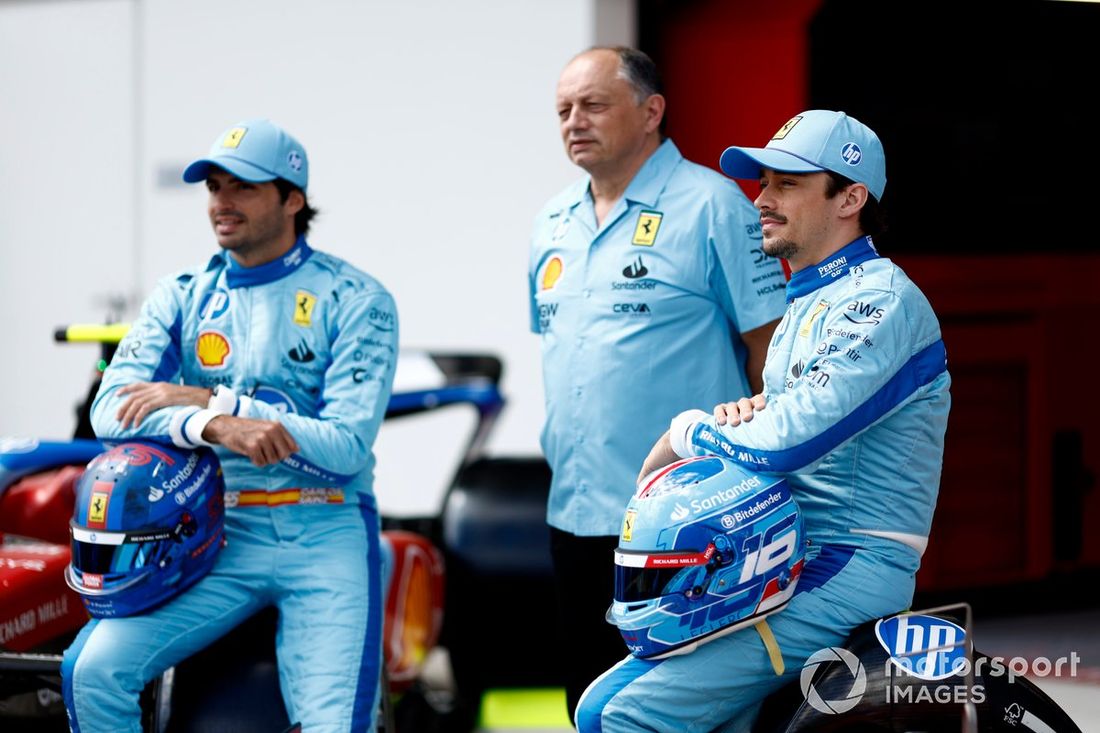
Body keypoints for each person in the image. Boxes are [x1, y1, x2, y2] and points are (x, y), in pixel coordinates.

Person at [575, 109, 951, 732]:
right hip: (777, 555)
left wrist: (687, 431)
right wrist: (749, 418)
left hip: (846, 564)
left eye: (786, 184)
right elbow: (784, 427)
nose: (761, 200)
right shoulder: (811, 296)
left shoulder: (880, 301)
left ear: (850, 198)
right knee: (603, 704)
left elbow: (789, 441)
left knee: (622, 713)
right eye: (764, 183)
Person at [60, 118, 399, 733]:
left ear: (292, 199)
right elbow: (111, 410)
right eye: (214, 187)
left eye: (242, 187)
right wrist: (211, 424)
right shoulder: (182, 295)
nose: (221, 202)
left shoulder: (356, 298)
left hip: (325, 528)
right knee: (91, 672)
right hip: (217, 530)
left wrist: (217, 399)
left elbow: (346, 448)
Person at [529, 46, 788, 720]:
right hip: (576, 515)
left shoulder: (713, 206)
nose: (573, 122)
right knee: (589, 703)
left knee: (687, 711)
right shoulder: (552, 222)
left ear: (651, 112)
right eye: (563, 110)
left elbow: (773, 356)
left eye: (592, 105)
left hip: (685, 522)